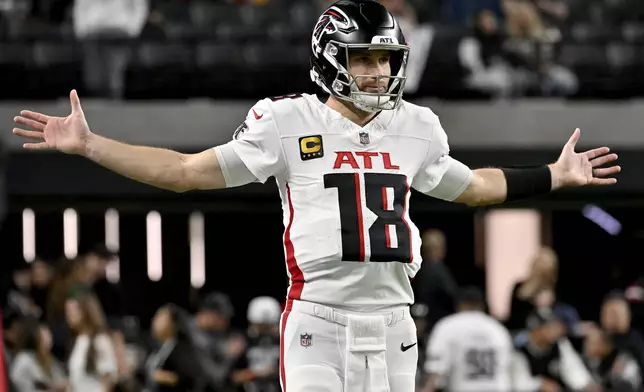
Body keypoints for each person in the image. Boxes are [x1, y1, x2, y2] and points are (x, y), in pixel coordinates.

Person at [11, 0, 620, 390]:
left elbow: (476, 187)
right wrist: (93, 147)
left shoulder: (416, 125)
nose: (380, 72)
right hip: (318, 320)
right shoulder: (288, 120)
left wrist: (551, 175)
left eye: (386, 60)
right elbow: (185, 171)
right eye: (366, 59)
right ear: (331, 59)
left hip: (393, 323)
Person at [421, 287, 514, 392]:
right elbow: (508, 367)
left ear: (458, 305)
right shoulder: (498, 329)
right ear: (482, 305)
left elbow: (435, 370)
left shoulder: (448, 326)